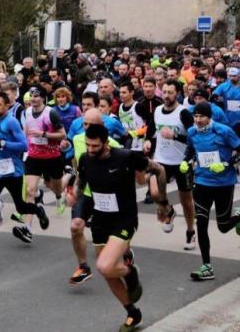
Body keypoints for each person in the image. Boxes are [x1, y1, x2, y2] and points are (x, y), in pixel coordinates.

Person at [77, 124, 150, 332]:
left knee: (105, 266)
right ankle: (132, 313)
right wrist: (74, 192)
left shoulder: (125, 156)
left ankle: (130, 272)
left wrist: (160, 199)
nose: (91, 149)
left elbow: (157, 169)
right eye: (88, 145)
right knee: (108, 273)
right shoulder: (85, 159)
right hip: (100, 220)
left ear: (106, 144)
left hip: (124, 219)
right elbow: (81, 180)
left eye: (95, 146)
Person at [181, 102, 240, 281]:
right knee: (201, 224)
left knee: (223, 226)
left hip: (224, 183)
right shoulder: (192, 132)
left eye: (201, 116)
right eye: (195, 116)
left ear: (209, 117)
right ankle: (207, 266)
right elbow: (190, 150)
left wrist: (227, 164)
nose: (198, 120)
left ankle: (238, 216)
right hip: (202, 182)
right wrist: (185, 161)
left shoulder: (224, 131)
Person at [0, 91, 42, 260]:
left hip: (13, 172)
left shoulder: (11, 122)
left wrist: (4, 143)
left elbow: (24, 145)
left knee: (20, 207)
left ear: (6, 106)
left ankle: (38, 210)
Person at [147, 79, 196, 249]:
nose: (166, 96)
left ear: (177, 93)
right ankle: (169, 210)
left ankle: (190, 232)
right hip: (161, 160)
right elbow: (151, 131)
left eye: (170, 92)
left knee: (186, 201)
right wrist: (148, 142)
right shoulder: (158, 110)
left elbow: (193, 139)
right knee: (154, 192)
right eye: (165, 92)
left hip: (181, 161)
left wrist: (174, 136)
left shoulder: (184, 113)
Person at [24, 85, 66, 218]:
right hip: (34, 156)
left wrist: (43, 134)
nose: (33, 99)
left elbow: (62, 135)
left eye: (36, 96)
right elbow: (26, 132)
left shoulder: (51, 113)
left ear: (43, 98)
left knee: (56, 187)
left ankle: (60, 197)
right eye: (31, 96)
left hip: (52, 157)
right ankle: (27, 227)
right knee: (30, 190)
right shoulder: (27, 111)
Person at [212, 67, 240, 136]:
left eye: (234, 76)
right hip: (228, 118)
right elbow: (215, 94)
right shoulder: (224, 86)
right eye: (230, 76)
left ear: (239, 76)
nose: (232, 78)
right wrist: (216, 97)